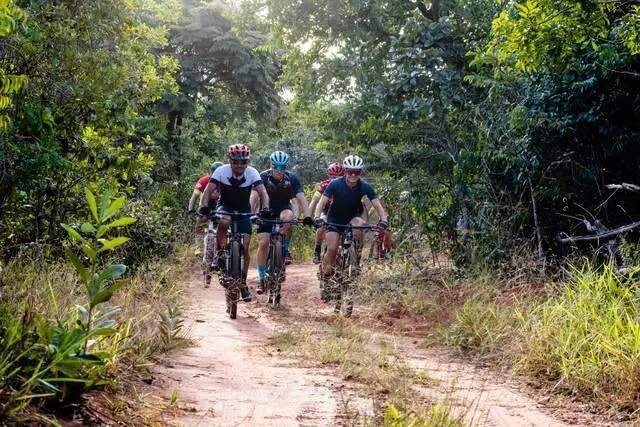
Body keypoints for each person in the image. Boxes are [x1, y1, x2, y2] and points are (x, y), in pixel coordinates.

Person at [199, 144, 270, 302]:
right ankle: (220, 254)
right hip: (225, 207)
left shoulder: (252, 173)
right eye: (235, 162)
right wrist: (204, 206)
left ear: (247, 161)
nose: (239, 166)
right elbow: (207, 192)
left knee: (245, 247)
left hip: (244, 209)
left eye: (243, 162)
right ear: (229, 160)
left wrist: (265, 208)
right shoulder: (221, 171)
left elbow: (263, 193)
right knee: (224, 220)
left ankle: (243, 284)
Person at [314, 155, 388, 284]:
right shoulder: (335, 183)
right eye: (350, 171)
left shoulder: (364, 186)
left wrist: (383, 220)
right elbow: (321, 202)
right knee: (332, 248)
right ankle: (325, 276)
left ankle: (355, 258)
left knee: (359, 224)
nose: (353, 175)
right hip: (334, 217)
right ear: (345, 171)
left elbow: (377, 205)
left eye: (357, 172)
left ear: (360, 172)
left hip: (353, 216)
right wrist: (316, 217)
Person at [251, 151, 313, 294]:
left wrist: (308, 216)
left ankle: (285, 250)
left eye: (282, 167)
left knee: (288, 218)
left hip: (283, 208)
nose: (279, 170)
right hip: (265, 211)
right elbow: (254, 197)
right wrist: (251, 214)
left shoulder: (291, 178)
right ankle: (261, 278)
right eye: (276, 167)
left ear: (286, 166)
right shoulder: (263, 177)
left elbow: (301, 198)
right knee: (264, 243)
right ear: (271, 165)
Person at [308, 162, 344, 264]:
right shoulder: (323, 185)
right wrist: (309, 217)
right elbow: (314, 201)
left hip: (344, 211)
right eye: (333, 177)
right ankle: (317, 249)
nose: (336, 179)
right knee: (322, 225)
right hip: (327, 211)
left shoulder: (348, 184)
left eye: (339, 176)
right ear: (329, 176)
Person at [189, 162, 224, 255]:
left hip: (219, 206)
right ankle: (198, 247)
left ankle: (222, 248)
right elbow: (195, 196)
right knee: (200, 222)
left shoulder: (225, 181)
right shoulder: (204, 180)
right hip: (205, 205)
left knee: (223, 225)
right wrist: (191, 209)